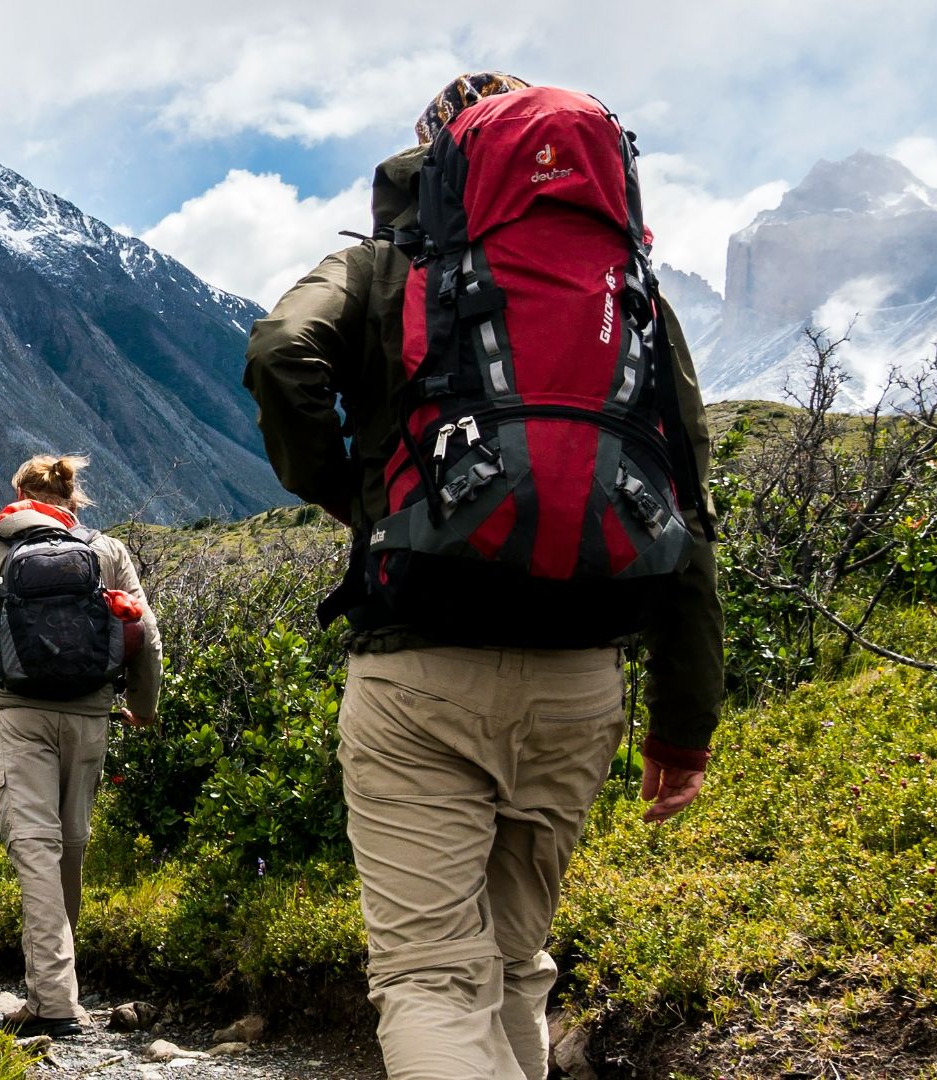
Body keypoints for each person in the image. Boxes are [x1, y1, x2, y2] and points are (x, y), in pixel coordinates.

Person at [242, 73, 724, 1079]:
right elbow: (682, 500)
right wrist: (683, 723)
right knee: (514, 963)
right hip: (581, 683)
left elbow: (284, 351)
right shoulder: (629, 294)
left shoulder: (382, 270)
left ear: (438, 158)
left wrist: (350, 497)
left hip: (420, 665)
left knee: (429, 978)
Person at [0, 453, 162, 1038]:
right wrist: (142, 706)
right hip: (90, 720)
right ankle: (56, 988)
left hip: (19, 720)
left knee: (35, 850)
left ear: (19, 495)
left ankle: (55, 1003)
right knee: (70, 850)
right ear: (72, 499)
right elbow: (147, 636)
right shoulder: (107, 553)